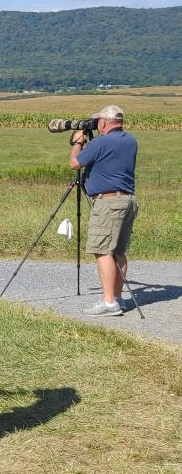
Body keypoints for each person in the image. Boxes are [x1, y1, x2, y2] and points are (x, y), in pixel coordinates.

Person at [69, 105, 139, 316]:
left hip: (108, 203)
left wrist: (78, 142)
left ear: (103, 123)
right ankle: (117, 297)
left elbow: (74, 163)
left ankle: (109, 303)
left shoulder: (100, 142)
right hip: (128, 200)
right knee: (118, 251)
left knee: (102, 250)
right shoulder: (130, 140)